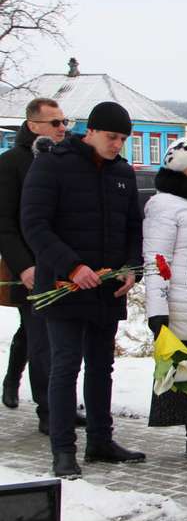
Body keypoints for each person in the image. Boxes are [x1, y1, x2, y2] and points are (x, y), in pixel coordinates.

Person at [21, 101, 146, 478]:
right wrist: (72, 267)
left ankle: (100, 440)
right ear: (90, 131)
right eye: (112, 137)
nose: (117, 145)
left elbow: (132, 228)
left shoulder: (122, 173)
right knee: (65, 366)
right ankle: (63, 450)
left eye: (123, 139)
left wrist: (130, 269)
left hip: (105, 288)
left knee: (102, 366)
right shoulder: (53, 164)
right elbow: (35, 224)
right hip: (64, 286)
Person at [0, 98, 67, 432]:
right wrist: (23, 266)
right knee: (38, 333)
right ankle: (48, 409)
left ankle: (16, 379)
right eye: (54, 123)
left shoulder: (66, 160)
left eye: (64, 121)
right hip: (28, 265)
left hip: (62, 264)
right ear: (33, 125)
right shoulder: (12, 163)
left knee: (38, 332)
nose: (62, 128)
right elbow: (5, 223)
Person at [142, 136, 187, 456]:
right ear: (182, 169)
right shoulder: (165, 205)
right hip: (183, 304)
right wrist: (157, 312)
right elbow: (156, 261)